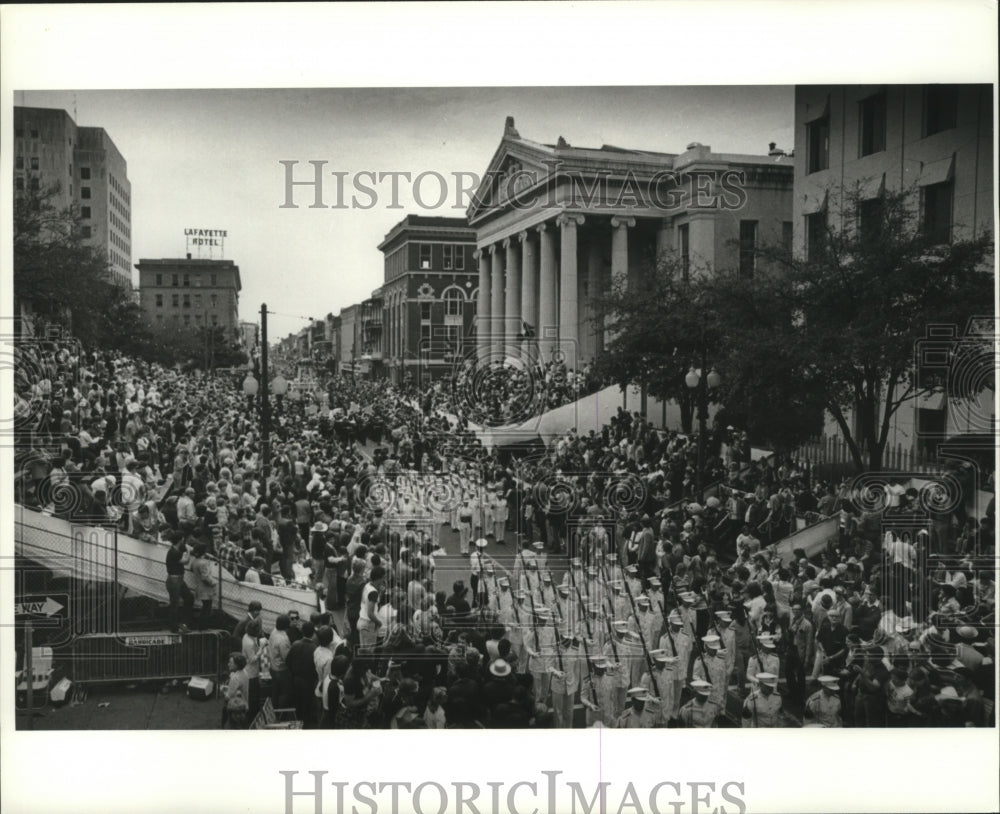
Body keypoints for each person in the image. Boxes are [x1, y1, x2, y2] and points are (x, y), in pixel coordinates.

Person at [287, 622, 318, 728]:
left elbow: (288, 662)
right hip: (309, 681)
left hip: (296, 680)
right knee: (307, 705)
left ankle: (299, 724)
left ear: (302, 631)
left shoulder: (295, 644)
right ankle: (306, 726)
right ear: (313, 633)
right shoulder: (314, 648)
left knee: (298, 704)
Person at [164, 532, 193, 633]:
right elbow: (186, 561)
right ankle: (174, 627)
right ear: (180, 540)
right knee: (175, 604)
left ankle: (182, 623)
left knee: (189, 598)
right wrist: (188, 552)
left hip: (178, 580)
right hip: (174, 580)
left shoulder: (175, 550)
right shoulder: (174, 552)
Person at [241, 617, 266, 722]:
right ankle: (251, 719)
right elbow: (252, 659)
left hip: (251, 671)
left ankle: (252, 716)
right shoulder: (249, 643)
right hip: (251, 673)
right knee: (252, 698)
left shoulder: (246, 636)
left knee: (252, 697)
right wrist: (261, 648)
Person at [189, 543, 217, 629]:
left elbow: (191, 569)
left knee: (205, 607)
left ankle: (201, 625)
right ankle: (203, 626)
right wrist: (213, 582)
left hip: (199, 587)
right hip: (206, 588)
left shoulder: (195, 562)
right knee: (207, 608)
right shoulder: (204, 563)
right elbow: (205, 577)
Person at [268, 614, 293, 708]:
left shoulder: (274, 631)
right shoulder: (283, 639)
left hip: (273, 667)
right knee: (286, 692)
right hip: (281, 670)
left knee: (275, 691)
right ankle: (282, 713)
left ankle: (274, 710)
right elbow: (286, 658)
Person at [221, 652, 250, 729]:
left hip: (236, 709)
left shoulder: (235, 678)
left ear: (237, 665)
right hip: (245, 704)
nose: (228, 664)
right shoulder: (245, 672)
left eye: (230, 662)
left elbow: (228, 697)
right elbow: (239, 689)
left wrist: (222, 690)